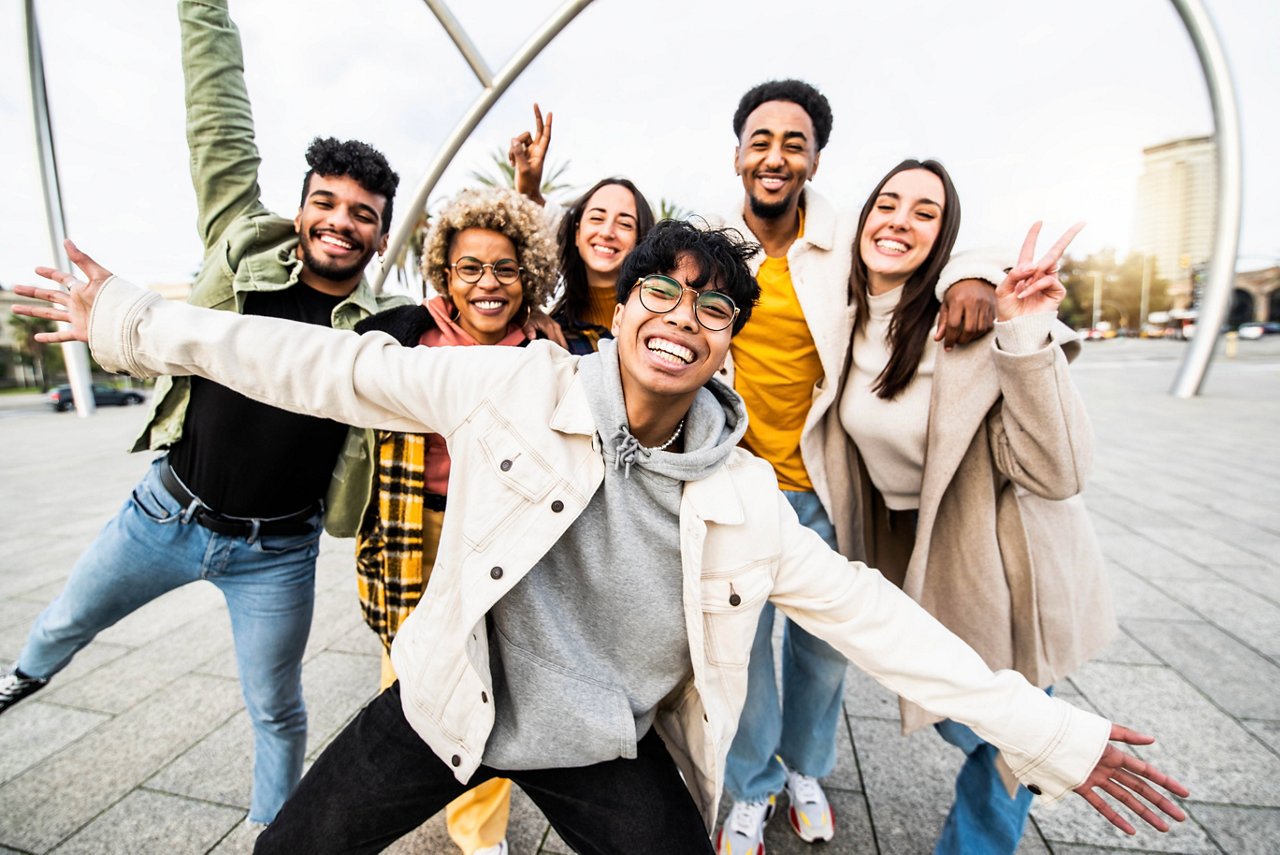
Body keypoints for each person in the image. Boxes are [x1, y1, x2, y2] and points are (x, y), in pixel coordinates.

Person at [18, 225, 1188, 854]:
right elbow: (331, 367)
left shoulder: (741, 500)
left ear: (725, 344)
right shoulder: (509, 388)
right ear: (619, 310)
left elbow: (876, 621)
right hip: (446, 705)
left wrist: (1053, 734)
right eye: (659, 294)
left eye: (711, 307)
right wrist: (135, 320)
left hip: (597, 742)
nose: (682, 317)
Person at [0, 0, 405, 827]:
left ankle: (270, 836)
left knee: (276, 706)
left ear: (381, 235)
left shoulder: (383, 327)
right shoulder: (241, 245)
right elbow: (218, 116)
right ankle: (19, 678)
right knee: (64, 619)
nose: (341, 222)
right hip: (164, 514)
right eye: (327, 203)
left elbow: (484, 315)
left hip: (277, 553)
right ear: (301, 211)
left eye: (363, 213)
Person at [713, 79, 1006, 852]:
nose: (776, 156)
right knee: (741, 652)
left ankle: (806, 767)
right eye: (761, 140)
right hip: (733, 487)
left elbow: (922, 241)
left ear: (814, 159)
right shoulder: (711, 241)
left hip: (821, 484)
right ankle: (751, 785)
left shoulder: (844, 234)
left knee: (822, 650)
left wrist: (972, 273)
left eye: (795, 143)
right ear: (738, 152)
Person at [821, 159, 1113, 854]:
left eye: (925, 212)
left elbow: (1059, 471)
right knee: (969, 714)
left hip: (998, 559)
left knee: (1007, 734)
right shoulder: (847, 314)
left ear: (943, 235)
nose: (899, 220)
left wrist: (1023, 332)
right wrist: (975, 268)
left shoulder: (967, 325)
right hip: (912, 554)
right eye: (887, 204)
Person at [334, 186, 557, 855]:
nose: (488, 283)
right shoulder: (405, 334)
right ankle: (383, 804)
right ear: (446, 274)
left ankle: (479, 830)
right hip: (413, 534)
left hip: (501, 540)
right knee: (405, 681)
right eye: (470, 267)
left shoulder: (547, 351)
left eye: (505, 268)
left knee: (490, 680)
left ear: (528, 277)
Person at [508, 104, 657, 353]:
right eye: (597, 218)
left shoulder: (659, 326)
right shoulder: (551, 334)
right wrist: (529, 192)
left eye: (625, 224)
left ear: (641, 240)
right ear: (576, 234)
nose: (607, 232)